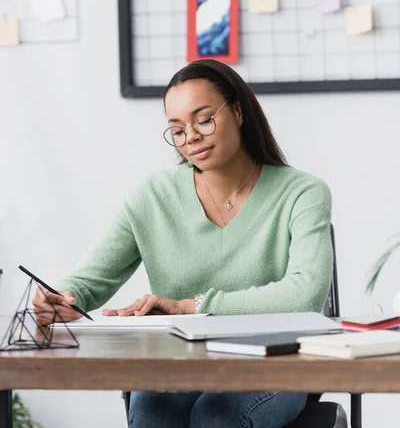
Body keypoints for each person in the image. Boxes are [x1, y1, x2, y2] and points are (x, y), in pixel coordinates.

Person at [32, 59, 333, 428]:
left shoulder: (303, 193)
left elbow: (304, 294)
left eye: (203, 119)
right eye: (177, 129)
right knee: (151, 406)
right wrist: (63, 298)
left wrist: (190, 307)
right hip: (179, 363)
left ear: (237, 111)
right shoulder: (153, 196)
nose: (190, 137)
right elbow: (91, 281)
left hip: (277, 367)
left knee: (217, 415)